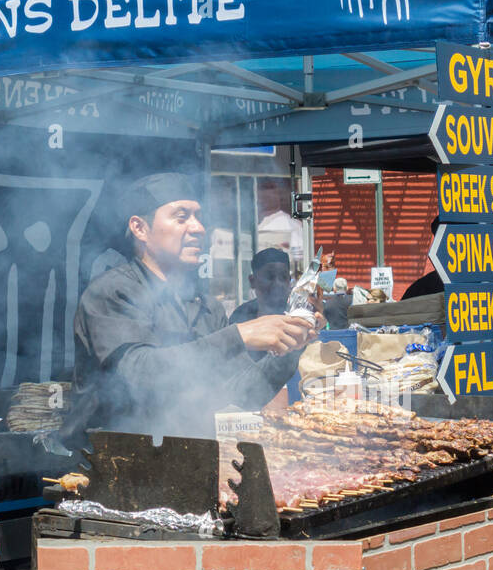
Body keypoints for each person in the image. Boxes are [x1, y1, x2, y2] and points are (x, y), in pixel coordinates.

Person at [66, 174, 321, 442]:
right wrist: (239, 335)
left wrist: (291, 346)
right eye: (181, 216)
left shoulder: (206, 307)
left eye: (198, 217)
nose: (198, 228)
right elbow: (138, 374)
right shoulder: (112, 292)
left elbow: (246, 394)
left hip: (190, 463)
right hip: (113, 467)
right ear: (140, 228)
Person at [228, 247, 291, 326]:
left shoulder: (299, 315)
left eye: (283, 277)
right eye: (269, 276)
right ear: (252, 281)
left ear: (289, 281)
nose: (277, 283)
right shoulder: (240, 316)